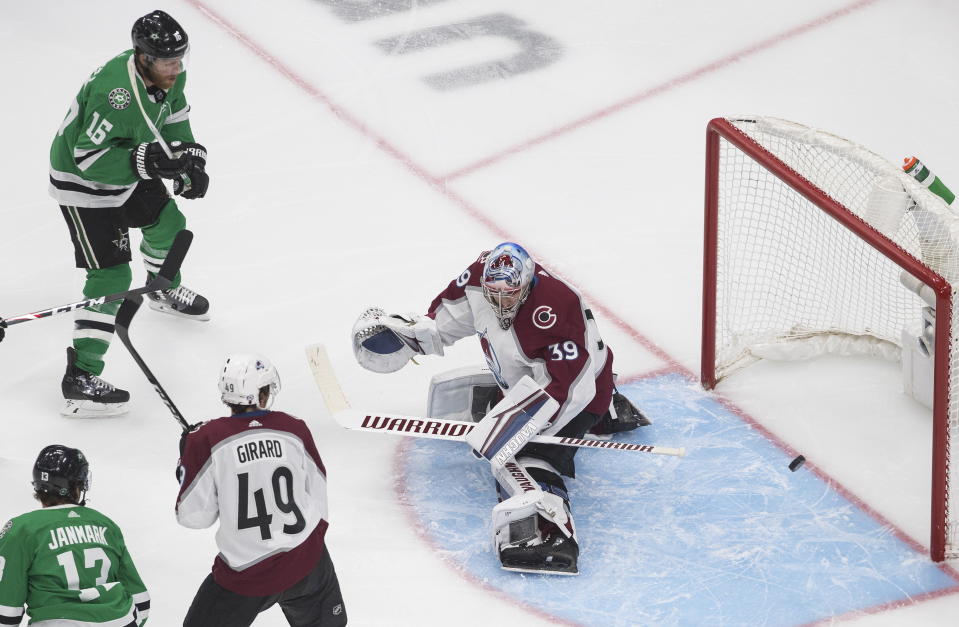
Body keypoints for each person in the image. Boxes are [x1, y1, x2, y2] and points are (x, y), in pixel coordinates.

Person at [351, 242, 646, 575]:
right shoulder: (478, 281)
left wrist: (509, 430)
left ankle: (551, 533)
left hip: (581, 393)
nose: (501, 301)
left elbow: (570, 389)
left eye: (511, 294)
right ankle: (605, 409)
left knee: (522, 455)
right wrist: (408, 336)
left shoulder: (558, 306)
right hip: (528, 382)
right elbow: (446, 320)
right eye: (495, 293)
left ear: (528, 282)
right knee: (506, 424)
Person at [51, 10, 211, 418]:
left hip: (126, 165)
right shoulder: (115, 93)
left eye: (180, 58)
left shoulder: (168, 76)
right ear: (143, 57)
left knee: (170, 225)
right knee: (112, 277)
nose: (176, 68)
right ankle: (81, 377)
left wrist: (190, 158)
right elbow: (88, 158)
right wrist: (149, 162)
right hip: (83, 183)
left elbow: (174, 116)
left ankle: (161, 287)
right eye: (167, 61)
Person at [176, 354, 347, 626]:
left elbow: (193, 517)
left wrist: (186, 461)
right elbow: (318, 488)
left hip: (246, 575)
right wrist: (309, 546)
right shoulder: (293, 427)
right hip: (308, 564)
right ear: (264, 394)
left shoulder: (206, 439)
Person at [0, 445, 151, 625]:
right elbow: (141, 601)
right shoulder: (105, 524)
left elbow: (7, 607)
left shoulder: (21, 529)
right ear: (77, 486)